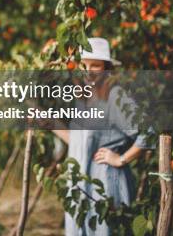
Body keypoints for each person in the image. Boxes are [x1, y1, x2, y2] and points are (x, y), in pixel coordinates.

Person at [53, 37, 154, 236]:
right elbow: (80, 143)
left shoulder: (114, 96)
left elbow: (148, 134)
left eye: (95, 65)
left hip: (105, 186)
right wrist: (49, 124)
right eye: (83, 64)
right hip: (81, 187)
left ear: (107, 68)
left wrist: (121, 158)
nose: (88, 70)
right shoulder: (83, 98)